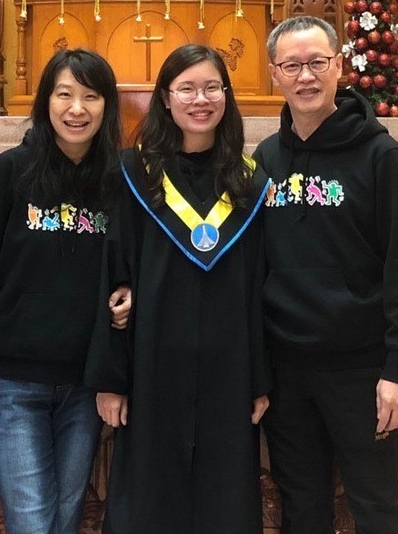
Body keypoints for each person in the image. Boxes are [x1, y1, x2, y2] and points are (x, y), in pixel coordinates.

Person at [252, 16, 398, 534]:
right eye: (291, 65)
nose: (305, 76)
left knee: (380, 511)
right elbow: (254, 266)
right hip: (287, 372)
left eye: (317, 62)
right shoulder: (266, 159)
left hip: (361, 371)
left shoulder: (382, 156)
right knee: (301, 511)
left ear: (339, 66)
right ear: (274, 74)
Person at [85, 44, 272, 534]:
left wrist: (258, 378)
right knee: (149, 500)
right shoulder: (135, 174)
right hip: (152, 368)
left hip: (229, 372)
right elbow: (115, 278)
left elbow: (257, 287)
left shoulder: (249, 184)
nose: (200, 99)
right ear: (165, 99)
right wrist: (112, 379)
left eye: (211, 87)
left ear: (227, 96)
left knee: (225, 502)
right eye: (186, 88)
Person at [0, 48, 129, 534]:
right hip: (15, 381)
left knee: (66, 516)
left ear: (107, 105)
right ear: (45, 101)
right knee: (32, 520)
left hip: (84, 383)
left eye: (90, 97)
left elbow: (130, 267)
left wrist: (128, 295)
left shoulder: (118, 181)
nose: (77, 109)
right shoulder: (12, 172)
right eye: (64, 94)